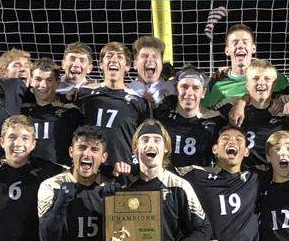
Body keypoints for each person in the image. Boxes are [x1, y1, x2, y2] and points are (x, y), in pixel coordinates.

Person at [70, 42, 152, 176]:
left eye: (119, 57)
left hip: (122, 171)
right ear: (101, 64)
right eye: (109, 56)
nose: (114, 60)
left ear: (127, 66)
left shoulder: (139, 102)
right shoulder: (83, 97)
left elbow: (144, 140)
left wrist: (135, 166)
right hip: (88, 170)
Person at [219, 59, 289, 170]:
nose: (261, 83)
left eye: (267, 79)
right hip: (242, 176)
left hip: (275, 175)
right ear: (247, 85)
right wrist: (241, 102)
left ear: (274, 85)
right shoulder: (231, 111)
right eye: (256, 78)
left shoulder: (286, 112)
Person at [202, 24, 289, 109]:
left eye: (245, 42)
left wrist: (278, 97)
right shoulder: (217, 86)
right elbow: (205, 113)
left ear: (253, 48)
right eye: (235, 43)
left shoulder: (271, 77)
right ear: (227, 50)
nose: (240, 46)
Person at [153, 69, 223, 169]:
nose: (189, 92)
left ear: (203, 93)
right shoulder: (161, 119)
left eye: (195, 88)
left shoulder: (215, 122)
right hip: (168, 181)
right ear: (176, 90)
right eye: (184, 87)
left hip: (200, 181)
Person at [22, 59, 82, 168]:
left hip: (59, 175)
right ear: (30, 81)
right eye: (38, 79)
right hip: (28, 175)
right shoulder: (22, 112)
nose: (43, 85)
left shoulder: (72, 113)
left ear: (57, 83)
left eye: (49, 80)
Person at [127, 35, 175, 105]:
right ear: (135, 64)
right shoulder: (126, 92)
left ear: (161, 64)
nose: (150, 60)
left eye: (155, 56)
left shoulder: (175, 90)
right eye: (144, 56)